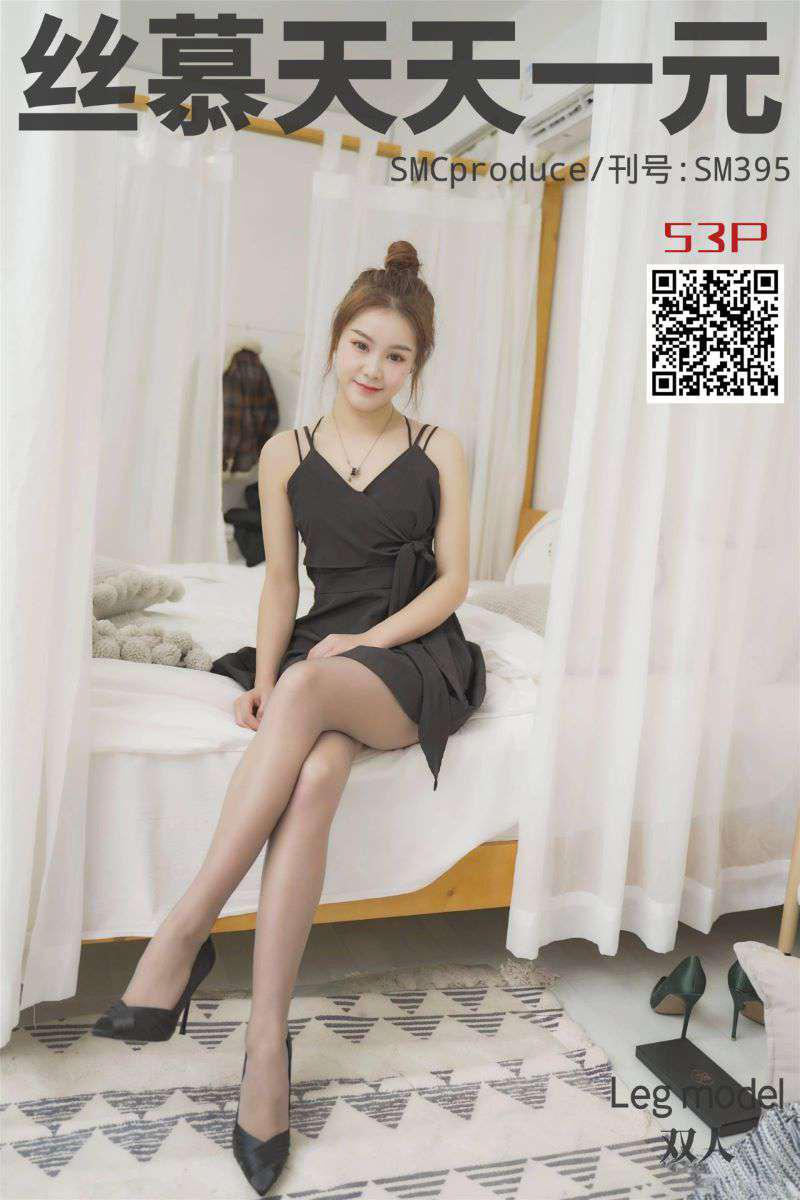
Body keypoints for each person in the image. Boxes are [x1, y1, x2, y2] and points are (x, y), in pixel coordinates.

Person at [91, 239, 486, 1195]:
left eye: (396, 355)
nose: (373, 369)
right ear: (334, 343)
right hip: (323, 653)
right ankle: (266, 1049)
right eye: (361, 346)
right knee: (313, 771)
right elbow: (278, 586)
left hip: (414, 653)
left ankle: (183, 933)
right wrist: (267, 680)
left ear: (416, 366)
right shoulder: (285, 454)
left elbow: (455, 583)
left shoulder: (438, 447)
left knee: (313, 684)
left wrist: (359, 645)